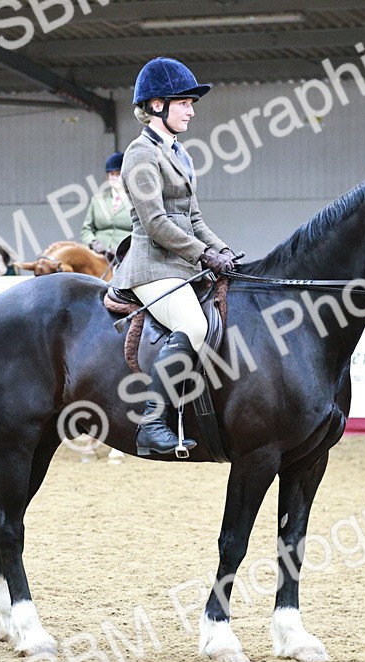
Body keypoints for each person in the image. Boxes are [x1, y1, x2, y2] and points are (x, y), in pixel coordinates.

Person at [109, 57, 238, 456]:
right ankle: (151, 423)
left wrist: (222, 251)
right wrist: (204, 255)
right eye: (185, 103)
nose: (192, 111)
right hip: (151, 266)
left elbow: (194, 218)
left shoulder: (180, 153)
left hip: (180, 263)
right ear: (158, 104)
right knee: (194, 326)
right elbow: (155, 223)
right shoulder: (139, 154)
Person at [81, 152, 133, 259]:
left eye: (118, 174)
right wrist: (93, 242)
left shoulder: (136, 201)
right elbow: (86, 229)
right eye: (111, 174)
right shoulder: (97, 199)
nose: (114, 177)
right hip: (98, 255)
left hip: (126, 255)